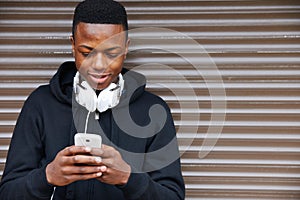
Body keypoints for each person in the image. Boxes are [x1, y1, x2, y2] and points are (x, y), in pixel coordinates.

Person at [0, 0, 185, 199]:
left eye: (111, 53)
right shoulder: (40, 104)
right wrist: (47, 177)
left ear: (126, 47)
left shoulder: (154, 110)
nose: (99, 65)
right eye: (87, 53)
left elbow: (173, 196)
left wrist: (128, 178)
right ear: (72, 45)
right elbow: (8, 193)